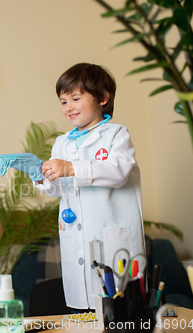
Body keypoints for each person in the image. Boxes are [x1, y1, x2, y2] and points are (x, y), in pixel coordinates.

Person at [34, 63, 145, 311]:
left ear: (103, 98)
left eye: (75, 98)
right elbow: (59, 188)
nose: (68, 107)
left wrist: (72, 168)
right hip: (77, 243)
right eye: (63, 101)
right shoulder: (62, 143)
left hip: (113, 244)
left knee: (119, 311)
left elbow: (118, 172)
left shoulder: (116, 135)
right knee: (82, 311)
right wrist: (40, 176)